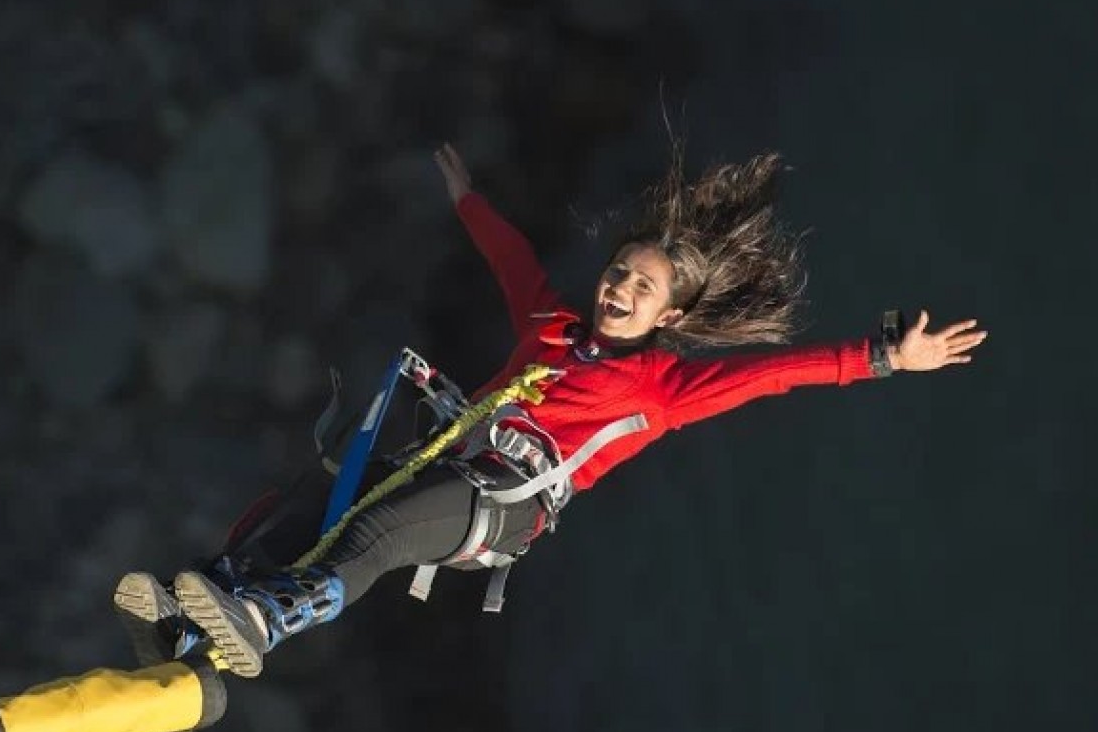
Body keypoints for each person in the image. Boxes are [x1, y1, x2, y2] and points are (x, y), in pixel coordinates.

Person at [116, 140, 988, 678]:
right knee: (318, 492)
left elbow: (773, 375)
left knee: (375, 535)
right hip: (458, 458)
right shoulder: (554, 322)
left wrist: (881, 357)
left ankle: (267, 620)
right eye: (618, 273)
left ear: (668, 318)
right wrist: (467, 199)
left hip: (508, 506)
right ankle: (207, 598)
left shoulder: (661, 388)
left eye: (642, 289)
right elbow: (512, 259)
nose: (620, 289)